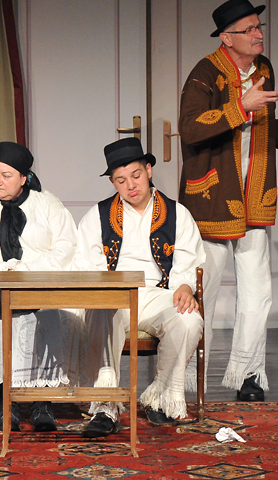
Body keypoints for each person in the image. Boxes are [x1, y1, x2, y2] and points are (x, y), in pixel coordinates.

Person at [178, 0, 278, 402]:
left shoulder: (263, 68)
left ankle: (248, 373)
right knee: (205, 292)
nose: (258, 34)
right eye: (248, 29)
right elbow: (191, 128)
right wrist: (239, 106)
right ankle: (190, 376)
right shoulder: (204, 73)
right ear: (226, 37)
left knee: (257, 291)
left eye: (258, 26)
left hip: (254, 195)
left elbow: (267, 124)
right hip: (214, 196)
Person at [76, 137, 206, 436]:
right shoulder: (97, 215)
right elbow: (87, 264)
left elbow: (188, 262)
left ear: (148, 170)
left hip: (160, 293)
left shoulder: (177, 213)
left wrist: (185, 287)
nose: (130, 186)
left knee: (188, 320)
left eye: (135, 175)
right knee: (99, 311)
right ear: (113, 182)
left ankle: (160, 397)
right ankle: (106, 406)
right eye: (121, 180)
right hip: (115, 294)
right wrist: (105, 291)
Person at [0, 142, 81, 432]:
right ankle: (8, 402)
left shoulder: (47, 204)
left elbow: (66, 247)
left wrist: (27, 269)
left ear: (23, 177)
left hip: (41, 280)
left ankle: (42, 402)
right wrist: (0, 271)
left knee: (48, 315)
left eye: (6, 175)